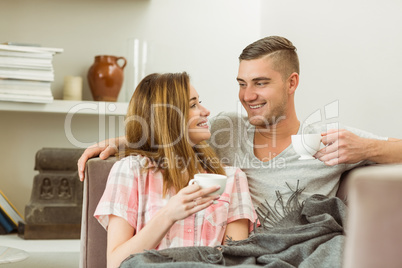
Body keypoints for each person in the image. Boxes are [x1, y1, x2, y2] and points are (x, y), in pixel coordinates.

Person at [79, 36, 402, 223]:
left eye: (260, 84)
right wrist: (123, 142)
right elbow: (174, 129)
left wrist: (368, 148)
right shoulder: (225, 128)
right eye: (242, 84)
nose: (247, 96)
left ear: (292, 83)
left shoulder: (328, 139)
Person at [93, 72, 258, 268]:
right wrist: (169, 214)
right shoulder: (131, 171)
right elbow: (115, 263)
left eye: (200, 102)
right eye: (193, 105)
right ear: (168, 117)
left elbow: (236, 259)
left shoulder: (230, 178)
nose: (206, 111)